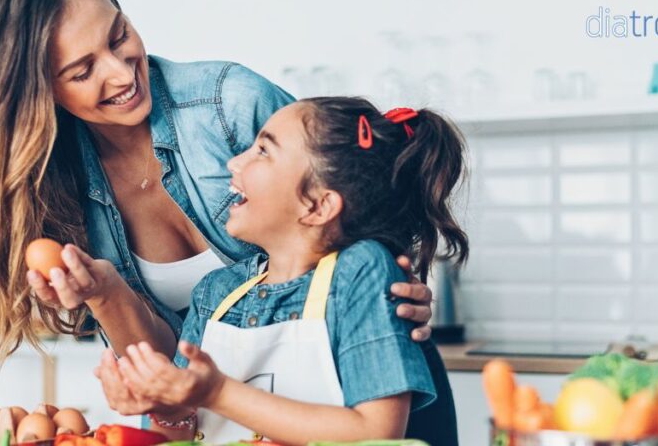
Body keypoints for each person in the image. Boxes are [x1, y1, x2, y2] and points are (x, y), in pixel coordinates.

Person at [0, 0, 453, 443]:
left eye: (119, 36)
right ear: (38, 92)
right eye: (82, 71)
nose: (122, 74)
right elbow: (182, 401)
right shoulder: (56, 189)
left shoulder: (230, 103)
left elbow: (347, 191)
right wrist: (109, 300)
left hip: (376, 402)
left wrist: (389, 283)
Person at [95, 98, 468, 445]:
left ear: (319, 206)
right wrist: (162, 404)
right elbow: (182, 434)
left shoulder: (360, 271)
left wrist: (217, 392)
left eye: (263, 151)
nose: (234, 163)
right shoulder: (216, 292)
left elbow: (378, 432)